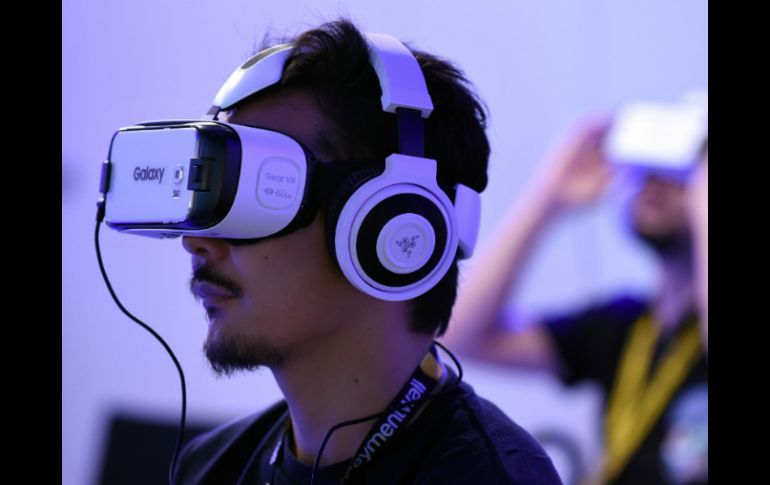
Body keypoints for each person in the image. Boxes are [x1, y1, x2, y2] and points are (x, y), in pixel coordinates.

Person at [173, 19, 561, 485]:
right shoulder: (207, 467)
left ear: (391, 226)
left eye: (259, 196)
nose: (198, 241)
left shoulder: (486, 477)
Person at [443, 117, 708, 484]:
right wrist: (548, 199)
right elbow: (459, 333)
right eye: (647, 169)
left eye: (679, 173)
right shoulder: (625, 323)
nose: (654, 182)